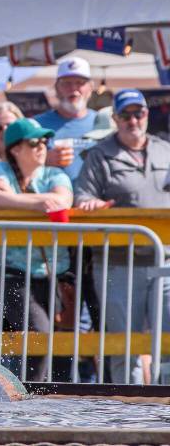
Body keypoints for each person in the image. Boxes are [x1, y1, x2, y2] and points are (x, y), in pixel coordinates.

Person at [75, 89, 170, 384]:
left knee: (168, 344)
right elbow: (82, 198)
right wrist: (91, 206)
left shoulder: (164, 149)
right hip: (118, 264)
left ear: (147, 114)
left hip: (165, 261)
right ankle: (126, 417)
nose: (133, 120)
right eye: (125, 114)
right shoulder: (99, 155)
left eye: (138, 113)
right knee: (123, 347)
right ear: (115, 118)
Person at [0, 117, 73, 381]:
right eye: (34, 142)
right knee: (39, 335)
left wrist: (18, 200)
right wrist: (39, 202)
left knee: (54, 341)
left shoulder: (56, 173)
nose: (42, 146)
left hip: (51, 272)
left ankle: (34, 393)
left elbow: (63, 199)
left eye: (44, 141)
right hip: (10, 272)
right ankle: (30, 394)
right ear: (15, 149)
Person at [34, 57, 98, 181]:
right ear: (57, 88)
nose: (73, 89)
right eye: (67, 83)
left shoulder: (103, 122)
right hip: (53, 197)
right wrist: (43, 160)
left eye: (80, 83)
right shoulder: (37, 125)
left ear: (90, 88)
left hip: (95, 199)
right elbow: (17, 163)